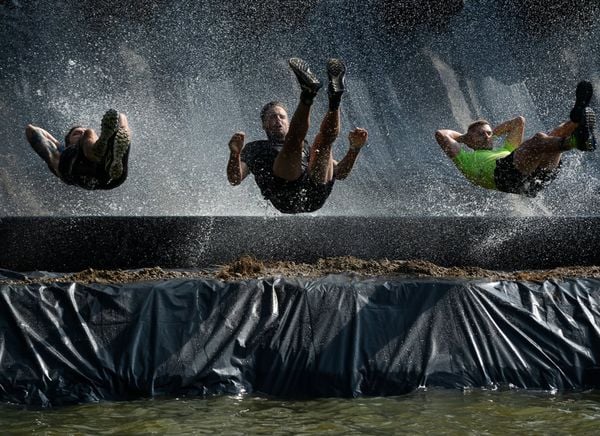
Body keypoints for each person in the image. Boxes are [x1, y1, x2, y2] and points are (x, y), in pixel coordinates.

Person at [227, 57, 368, 213]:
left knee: (323, 143)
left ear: (289, 121)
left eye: (281, 117)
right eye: (272, 117)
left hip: (315, 192)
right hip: (285, 193)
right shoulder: (255, 148)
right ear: (263, 124)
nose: (277, 120)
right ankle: (308, 94)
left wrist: (354, 149)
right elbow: (235, 180)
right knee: (293, 142)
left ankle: (334, 99)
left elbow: (340, 173)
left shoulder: (307, 148)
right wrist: (235, 153)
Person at [435, 81, 596, 197]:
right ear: (469, 140)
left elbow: (518, 122)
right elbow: (441, 134)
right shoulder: (465, 158)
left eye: (488, 133)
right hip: (504, 177)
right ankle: (577, 137)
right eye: (480, 134)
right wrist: (464, 138)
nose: (486, 135)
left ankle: (577, 122)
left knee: (555, 135)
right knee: (540, 139)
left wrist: (492, 134)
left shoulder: (506, 150)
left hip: (534, 182)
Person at [25, 109, 131, 190]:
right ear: (68, 143)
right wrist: (58, 145)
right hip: (85, 173)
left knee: (121, 135)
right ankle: (101, 155)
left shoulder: (61, 157)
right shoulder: (61, 154)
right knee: (90, 132)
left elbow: (122, 122)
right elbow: (31, 130)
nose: (81, 133)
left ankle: (110, 157)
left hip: (109, 177)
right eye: (76, 133)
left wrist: (121, 119)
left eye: (82, 133)